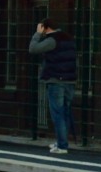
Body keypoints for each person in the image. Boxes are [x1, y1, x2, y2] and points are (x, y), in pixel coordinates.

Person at [29, 18, 76, 154]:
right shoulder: (68, 39)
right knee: (65, 113)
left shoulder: (51, 40)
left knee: (57, 114)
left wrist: (37, 34)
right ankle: (62, 142)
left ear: (45, 27)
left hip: (56, 81)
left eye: (41, 28)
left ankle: (62, 146)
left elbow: (33, 49)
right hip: (70, 81)